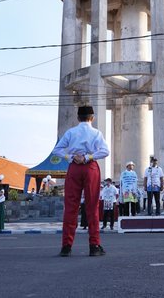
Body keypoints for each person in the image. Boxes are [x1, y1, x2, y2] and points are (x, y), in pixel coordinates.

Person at [51, 105, 110, 257]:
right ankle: (94, 245)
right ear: (92, 118)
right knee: (92, 206)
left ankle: (66, 247)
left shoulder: (71, 132)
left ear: (78, 118)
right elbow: (105, 151)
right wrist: (88, 157)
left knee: (71, 207)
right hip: (90, 167)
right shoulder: (96, 133)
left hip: (74, 168)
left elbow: (57, 150)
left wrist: (71, 157)